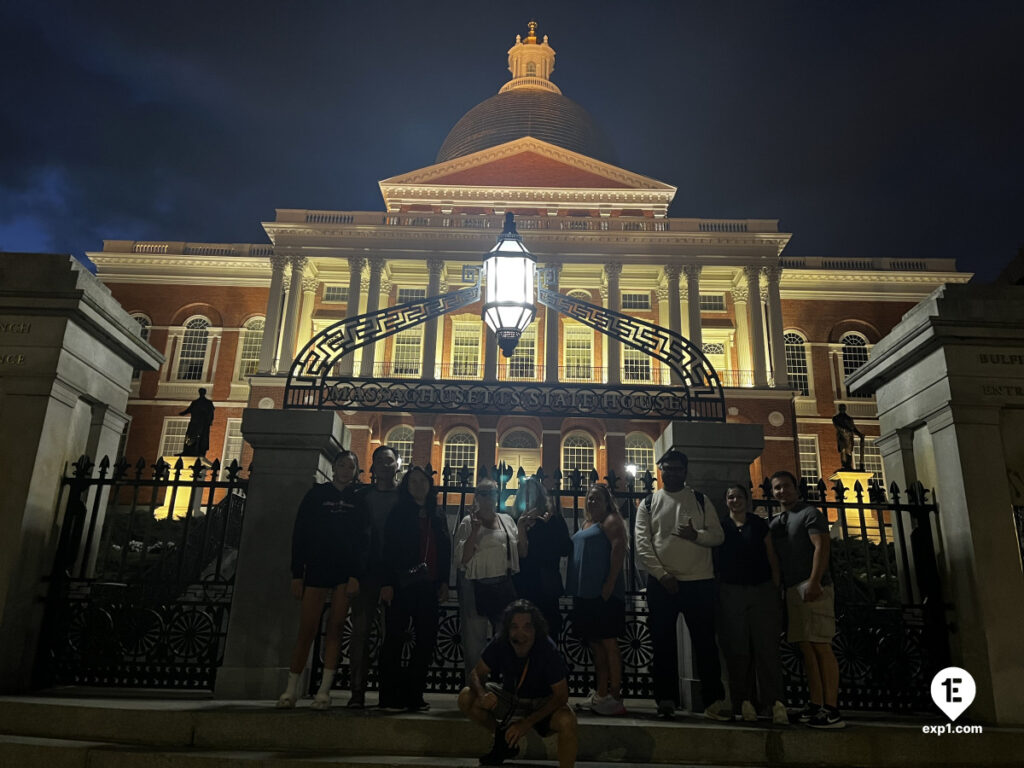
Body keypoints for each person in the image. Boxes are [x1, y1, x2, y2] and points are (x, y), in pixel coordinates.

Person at [634, 449, 729, 720]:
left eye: (677, 468)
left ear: (685, 472)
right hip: (662, 583)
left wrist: (695, 535)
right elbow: (642, 543)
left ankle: (714, 700)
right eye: (668, 468)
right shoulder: (649, 503)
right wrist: (662, 574)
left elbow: (717, 536)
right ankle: (666, 699)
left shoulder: (699, 499)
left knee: (705, 644)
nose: (672, 472)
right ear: (660, 470)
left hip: (699, 581)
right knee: (662, 643)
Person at [277, 450, 367, 709]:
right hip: (316, 569)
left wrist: (355, 575)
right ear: (333, 468)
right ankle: (290, 689)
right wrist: (297, 573)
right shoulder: (316, 495)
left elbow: (363, 540)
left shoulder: (359, 500)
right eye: (341, 465)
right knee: (307, 628)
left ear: (356, 471)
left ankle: (324, 691)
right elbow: (300, 534)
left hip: (344, 571)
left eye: (351, 466)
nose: (346, 470)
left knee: (336, 629)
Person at [458, 600, 578, 768]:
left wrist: (527, 723)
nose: (520, 634)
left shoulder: (547, 649)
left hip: (541, 703)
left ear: (536, 629)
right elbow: (476, 673)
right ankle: (503, 737)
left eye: (527, 627)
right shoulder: (501, 641)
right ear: (508, 629)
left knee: (567, 720)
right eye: (514, 627)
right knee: (466, 696)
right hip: (511, 698)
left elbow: (561, 696)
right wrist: (482, 694)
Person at [769, 470, 844, 729]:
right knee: (806, 648)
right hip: (793, 588)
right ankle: (816, 703)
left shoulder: (810, 513)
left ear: (796, 488)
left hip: (814, 587)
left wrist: (814, 580)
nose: (781, 491)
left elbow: (821, 546)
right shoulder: (780, 520)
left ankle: (831, 708)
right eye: (777, 488)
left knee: (821, 645)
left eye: (786, 486)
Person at [378, 466, 451, 711]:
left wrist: (443, 581)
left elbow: (445, 550)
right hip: (401, 584)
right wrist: (386, 582)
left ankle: (414, 695)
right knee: (395, 639)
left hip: (428, 585)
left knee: (426, 641)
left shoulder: (437, 514)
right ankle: (389, 696)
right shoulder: (399, 512)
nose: (418, 485)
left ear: (430, 485)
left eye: (422, 481)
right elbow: (387, 549)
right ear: (406, 486)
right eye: (413, 481)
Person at [716, 483, 787, 724]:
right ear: (726, 502)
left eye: (738, 496)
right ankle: (743, 701)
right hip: (732, 591)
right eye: (730, 497)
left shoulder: (758, 525)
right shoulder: (722, 527)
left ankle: (773, 701)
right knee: (738, 649)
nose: (735, 500)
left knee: (766, 647)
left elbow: (771, 556)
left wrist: (776, 586)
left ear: (748, 500)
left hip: (761, 589)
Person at [565, 483, 628, 716]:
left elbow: (618, 549)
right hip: (586, 592)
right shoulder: (587, 523)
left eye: (597, 498)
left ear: (606, 501)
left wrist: (609, 584)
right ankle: (601, 694)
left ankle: (615, 695)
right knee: (596, 644)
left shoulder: (611, 521)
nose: (592, 502)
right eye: (590, 498)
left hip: (604, 592)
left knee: (609, 642)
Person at [347, 445, 402, 708]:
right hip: (366, 574)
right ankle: (357, 692)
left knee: (391, 637)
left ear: (397, 466)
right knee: (360, 633)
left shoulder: (404, 499)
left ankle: (387, 693)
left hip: (394, 576)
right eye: (379, 460)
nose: (383, 464)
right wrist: (354, 573)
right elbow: (354, 537)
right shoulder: (362, 497)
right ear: (372, 466)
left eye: (389, 460)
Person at [454, 477, 519, 681]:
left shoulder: (506, 520)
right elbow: (462, 558)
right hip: (476, 586)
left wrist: (524, 528)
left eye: (491, 493)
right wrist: (474, 530)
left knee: (505, 638)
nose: (488, 498)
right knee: (475, 641)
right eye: (483, 493)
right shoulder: (467, 522)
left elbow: (516, 551)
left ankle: (502, 686)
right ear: (476, 497)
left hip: (503, 585)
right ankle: (475, 689)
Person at [512, 476, 572, 639]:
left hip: (546, 585)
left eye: (532, 493)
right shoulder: (514, 520)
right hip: (522, 585)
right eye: (524, 493)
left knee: (547, 634)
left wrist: (549, 527)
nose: (528, 497)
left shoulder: (552, 519)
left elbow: (565, 548)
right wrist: (522, 528)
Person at [179, 387, 214, 457]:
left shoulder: (208, 403)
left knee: (200, 437)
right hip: (194, 423)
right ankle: (187, 450)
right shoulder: (195, 402)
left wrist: (209, 421)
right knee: (189, 436)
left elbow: (211, 414)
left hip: (202, 424)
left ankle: (199, 450)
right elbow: (188, 410)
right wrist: (182, 413)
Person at [832, 404, 865, 471]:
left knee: (849, 451)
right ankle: (844, 465)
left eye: (843, 408)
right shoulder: (836, 418)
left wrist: (859, 434)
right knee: (843, 450)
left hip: (849, 437)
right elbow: (837, 426)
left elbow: (853, 428)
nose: (842, 409)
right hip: (841, 436)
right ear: (839, 409)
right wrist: (844, 430)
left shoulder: (849, 419)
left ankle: (848, 465)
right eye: (841, 408)